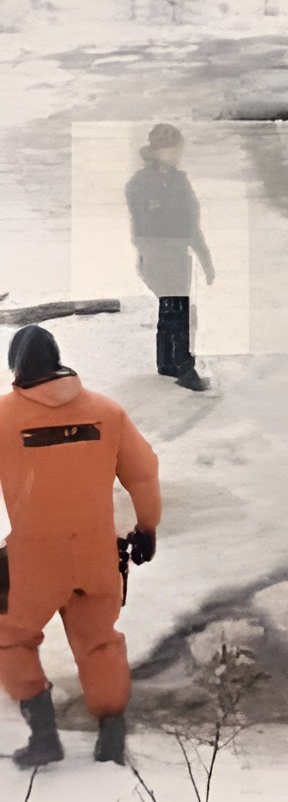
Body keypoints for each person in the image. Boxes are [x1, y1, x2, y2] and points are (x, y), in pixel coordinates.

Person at [0, 325, 161, 769]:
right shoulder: (106, 412)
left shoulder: (4, 417)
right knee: (99, 642)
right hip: (96, 555)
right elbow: (143, 473)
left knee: (9, 638)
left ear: (16, 367)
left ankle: (44, 735)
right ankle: (111, 737)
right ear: (58, 363)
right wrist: (146, 528)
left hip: (32, 559)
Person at [125, 122, 214, 392]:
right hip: (160, 254)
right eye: (172, 149)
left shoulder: (178, 179)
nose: (177, 154)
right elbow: (141, 226)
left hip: (177, 253)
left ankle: (168, 367)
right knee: (180, 313)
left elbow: (191, 222)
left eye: (178, 149)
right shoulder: (142, 182)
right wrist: (149, 253)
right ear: (157, 150)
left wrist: (204, 256)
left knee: (173, 311)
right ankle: (184, 371)